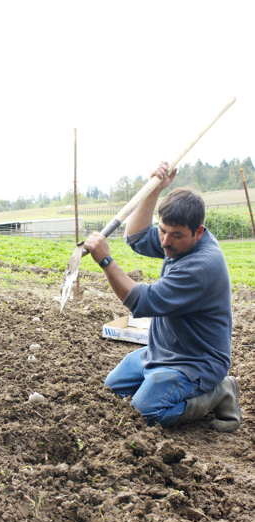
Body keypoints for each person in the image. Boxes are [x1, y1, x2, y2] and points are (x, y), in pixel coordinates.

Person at [84, 161, 241, 432]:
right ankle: (159, 383)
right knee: (111, 390)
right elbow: (135, 237)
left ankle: (220, 391)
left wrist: (106, 261)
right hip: (161, 351)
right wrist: (154, 190)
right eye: (162, 230)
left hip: (195, 362)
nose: (165, 241)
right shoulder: (179, 242)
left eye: (176, 235)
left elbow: (142, 302)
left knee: (145, 413)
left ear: (199, 232)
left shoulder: (201, 266)